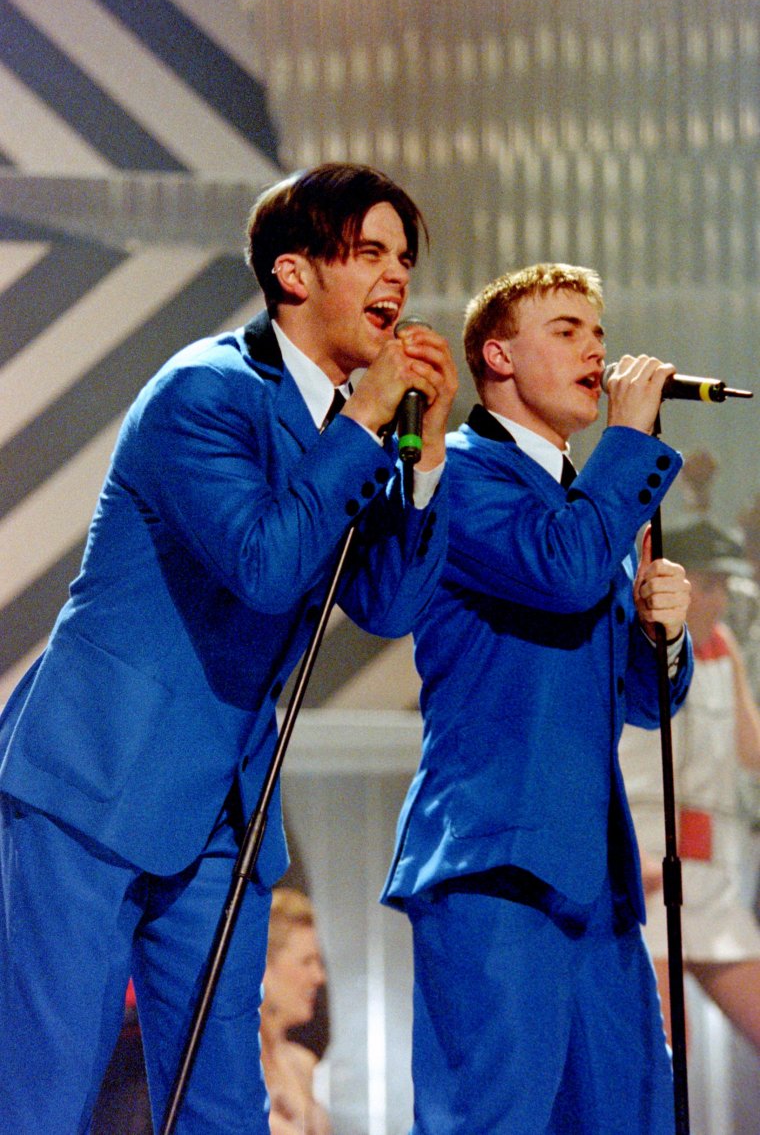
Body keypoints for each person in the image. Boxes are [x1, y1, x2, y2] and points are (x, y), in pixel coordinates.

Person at [0, 162, 458, 1134]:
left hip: (224, 798)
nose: (396, 280)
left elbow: (386, 600)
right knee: (44, 1082)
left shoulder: (351, 425)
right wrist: (370, 419)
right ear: (293, 272)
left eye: (405, 259)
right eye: (369, 252)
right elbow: (263, 560)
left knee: (220, 1096)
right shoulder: (202, 393)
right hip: (96, 773)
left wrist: (419, 464)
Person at [381, 262, 693, 1134]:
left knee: (631, 1116)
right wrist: (629, 442)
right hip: (496, 863)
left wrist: (657, 634)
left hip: (594, 880)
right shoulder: (466, 476)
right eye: (565, 330)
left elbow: (640, 699)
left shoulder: (587, 504)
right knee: (494, 1118)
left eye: (598, 331)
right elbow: (557, 573)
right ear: (498, 355)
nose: (596, 347)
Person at [620, 518, 760, 1052]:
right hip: (649, 865)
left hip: (714, 874)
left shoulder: (724, 649)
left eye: (726, 587)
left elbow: (752, 749)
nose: (721, 601)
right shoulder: (631, 637)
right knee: (668, 1051)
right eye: (710, 585)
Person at [261, 888, 331, 1135]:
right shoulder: (229, 1065)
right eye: (306, 961)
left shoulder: (302, 1065)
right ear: (264, 967)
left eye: (319, 962)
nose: (319, 977)